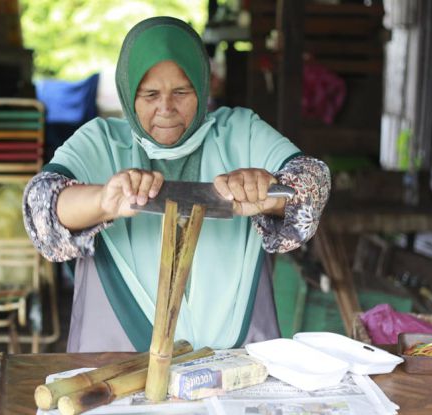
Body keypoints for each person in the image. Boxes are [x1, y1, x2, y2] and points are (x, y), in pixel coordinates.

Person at [23, 16, 330, 352]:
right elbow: (41, 207)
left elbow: (311, 182)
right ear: (128, 94)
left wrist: (268, 194)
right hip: (119, 360)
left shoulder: (240, 132)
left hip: (235, 362)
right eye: (150, 94)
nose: (166, 108)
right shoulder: (103, 142)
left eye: (182, 91)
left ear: (202, 85)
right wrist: (104, 201)